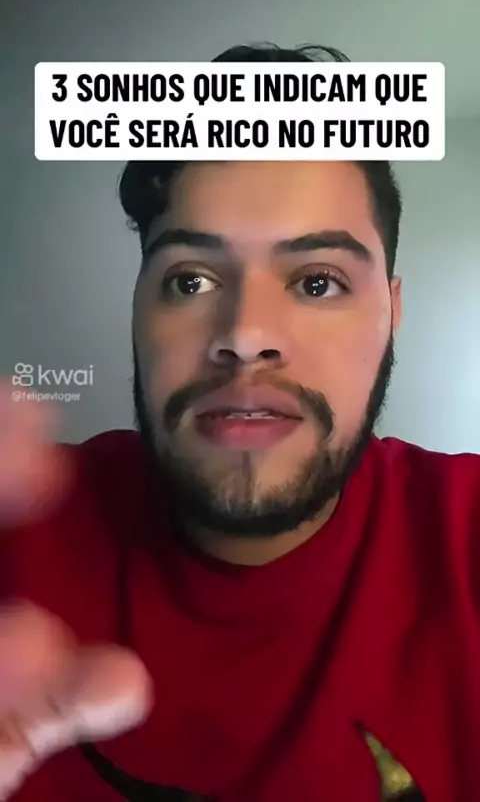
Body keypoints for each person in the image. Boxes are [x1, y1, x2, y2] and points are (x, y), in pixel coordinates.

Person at [1, 43, 479, 802]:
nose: (245, 333)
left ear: (393, 314)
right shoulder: (19, 530)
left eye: (317, 281)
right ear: (137, 310)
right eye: (190, 280)